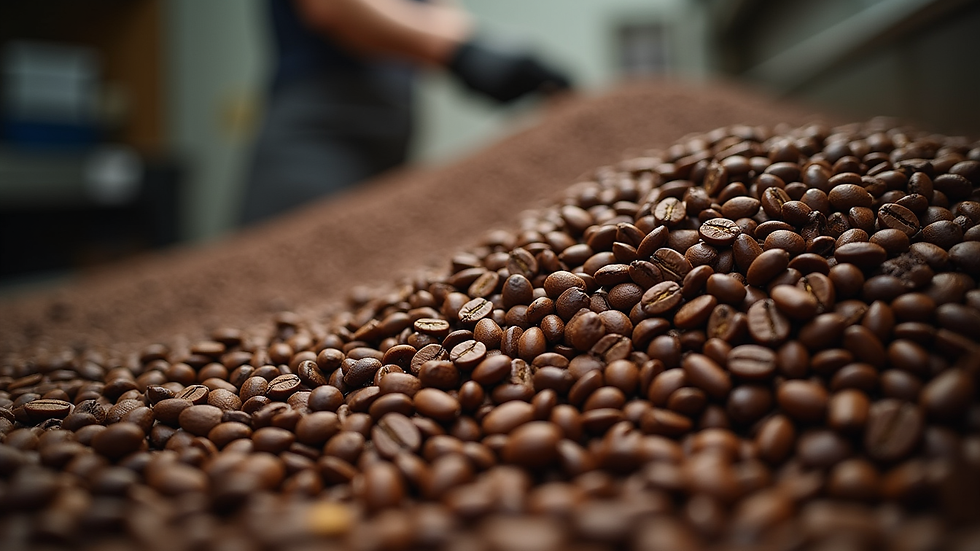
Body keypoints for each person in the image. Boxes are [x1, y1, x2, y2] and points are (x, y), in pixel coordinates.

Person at [241, 0, 572, 225]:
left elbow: (440, 18)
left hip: (393, 119)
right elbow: (333, 9)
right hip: (316, 125)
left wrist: (488, 50)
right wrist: (463, 52)